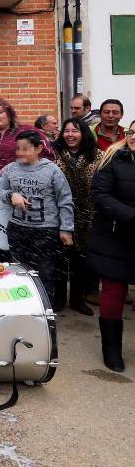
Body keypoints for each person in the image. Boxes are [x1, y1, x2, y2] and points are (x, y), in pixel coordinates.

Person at [0, 98, 53, 263]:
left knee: (17, 245)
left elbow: (47, 153)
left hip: (19, 195)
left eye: (0, 111)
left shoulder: (25, 131)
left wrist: (19, 163)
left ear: (9, 113)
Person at [0, 131, 74, 304]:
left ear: (39, 148)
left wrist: (66, 229)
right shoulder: (11, 169)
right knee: (17, 270)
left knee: (45, 272)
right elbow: (0, 192)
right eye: (18, 149)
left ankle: (44, 310)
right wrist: (11, 196)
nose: (20, 153)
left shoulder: (52, 170)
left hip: (46, 231)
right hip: (17, 228)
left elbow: (65, 199)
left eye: (25, 149)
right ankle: (22, 307)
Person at [87, 123, 135, 372]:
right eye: (132, 133)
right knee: (113, 293)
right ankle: (111, 350)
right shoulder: (113, 159)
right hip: (115, 236)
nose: (134, 137)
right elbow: (100, 195)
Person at [52, 118, 102, 314]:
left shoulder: (97, 155)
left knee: (80, 259)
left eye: (75, 131)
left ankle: (77, 299)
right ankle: (59, 298)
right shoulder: (53, 154)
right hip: (58, 212)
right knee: (60, 257)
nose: (70, 135)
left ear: (84, 134)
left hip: (87, 214)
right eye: (67, 131)